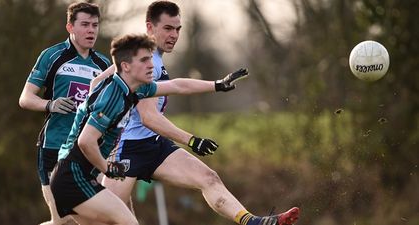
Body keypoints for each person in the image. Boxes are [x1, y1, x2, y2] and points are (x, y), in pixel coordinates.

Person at [96, 1, 300, 225]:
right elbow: (149, 117)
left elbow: (177, 85)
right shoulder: (144, 63)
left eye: (178, 29)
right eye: (168, 28)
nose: (174, 35)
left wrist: (217, 84)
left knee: (208, 177)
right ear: (150, 27)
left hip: (154, 145)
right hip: (127, 149)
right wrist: (191, 140)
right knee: (101, 219)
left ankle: (253, 222)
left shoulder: (146, 58)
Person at [49, 33, 248, 225]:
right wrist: (107, 168)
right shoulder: (112, 96)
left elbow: (177, 86)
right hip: (72, 177)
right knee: (128, 222)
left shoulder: (136, 88)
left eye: (150, 59)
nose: (151, 65)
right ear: (125, 66)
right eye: (144, 60)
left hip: (72, 177)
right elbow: (86, 141)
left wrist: (217, 85)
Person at [18, 2, 110, 225]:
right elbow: (25, 98)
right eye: (85, 25)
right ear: (70, 27)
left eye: (95, 25)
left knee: (91, 219)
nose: (91, 30)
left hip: (86, 152)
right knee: (61, 220)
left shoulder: (104, 64)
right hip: (53, 147)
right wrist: (50, 104)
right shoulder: (52, 56)